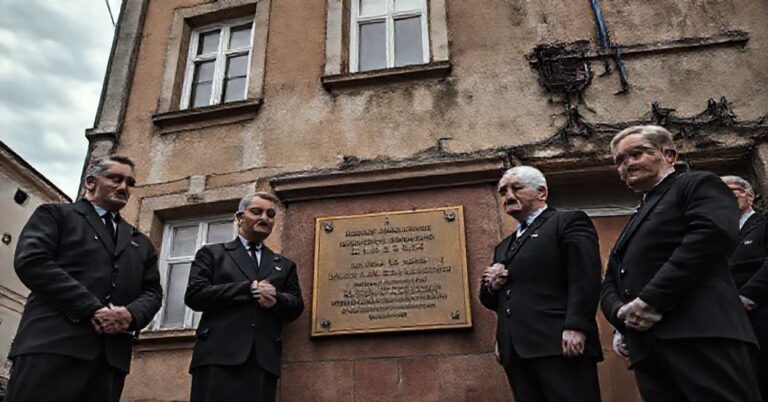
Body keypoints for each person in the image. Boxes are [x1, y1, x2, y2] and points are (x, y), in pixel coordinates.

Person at [601, 125, 760, 401]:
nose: (626, 164)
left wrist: (651, 300)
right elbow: (612, 279)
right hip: (649, 347)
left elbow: (711, 235)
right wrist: (622, 316)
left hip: (700, 334)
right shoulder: (638, 215)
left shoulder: (696, 184)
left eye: (636, 154)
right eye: (620, 161)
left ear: (669, 155)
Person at [6, 155, 162, 402]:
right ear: (90, 182)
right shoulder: (56, 215)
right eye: (115, 179)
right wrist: (93, 308)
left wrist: (130, 315)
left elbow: (152, 292)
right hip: (53, 347)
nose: (124, 187)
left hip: (109, 359)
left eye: (130, 182)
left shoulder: (139, 241)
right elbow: (32, 262)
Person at [480, 166, 603, 402]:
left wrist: (577, 326)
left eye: (516, 188)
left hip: (558, 343)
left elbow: (585, 276)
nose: (508, 196)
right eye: (503, 191)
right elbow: (489, 300)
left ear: (541, 193)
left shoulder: (566, 222)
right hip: (515, 351)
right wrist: (492, 285)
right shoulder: (504, 246)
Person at [185, 192, 303, 402]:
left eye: (270, 214)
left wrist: (276, 299)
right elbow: (195, 295)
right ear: (239, 218)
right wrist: (247, 289)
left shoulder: (283, 264)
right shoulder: (213, 254)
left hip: (261, 360)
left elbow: (296, 306)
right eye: (257, 212)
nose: (265, 218)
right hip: (218, 356)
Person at [722, 175, 768, 400]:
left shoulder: (763, 224)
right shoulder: (716, 235)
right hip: (728, 319)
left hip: (760, 313)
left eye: (729, 192)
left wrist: (750, 295)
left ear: (748, 196)